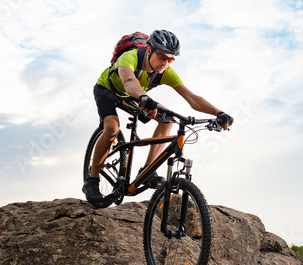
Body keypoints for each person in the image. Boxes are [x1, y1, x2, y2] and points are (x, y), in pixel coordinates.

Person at [83, 29, 233, 202]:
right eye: (162, 56)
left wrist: (219, 113)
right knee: (112, 128)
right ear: (149, 50)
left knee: (167, 119)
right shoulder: (130, 57)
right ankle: (92, 180)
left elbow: (192, 98)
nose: (166, 62)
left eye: (171, 59)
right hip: (108, 90)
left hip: (136, 95)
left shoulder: (165, 72)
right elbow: (129, 82)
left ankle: (147, 170)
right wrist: (144, 98)